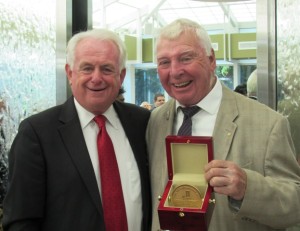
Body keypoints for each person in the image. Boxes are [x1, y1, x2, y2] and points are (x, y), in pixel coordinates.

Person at [146, 18, 300, 231]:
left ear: (211, 60)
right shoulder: (154, 122)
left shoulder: (269, 124)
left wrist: (248, 188)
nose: (174, 71)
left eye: (186, 58)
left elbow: (295, 206)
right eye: (164, 62)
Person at [3, 29, 152, 231]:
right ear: (70, 73)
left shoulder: (142, 122)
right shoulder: (37, 133)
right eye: (87, 68)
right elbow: (21, 221)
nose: (96, 78)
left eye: (107, 69)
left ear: (121, 75)